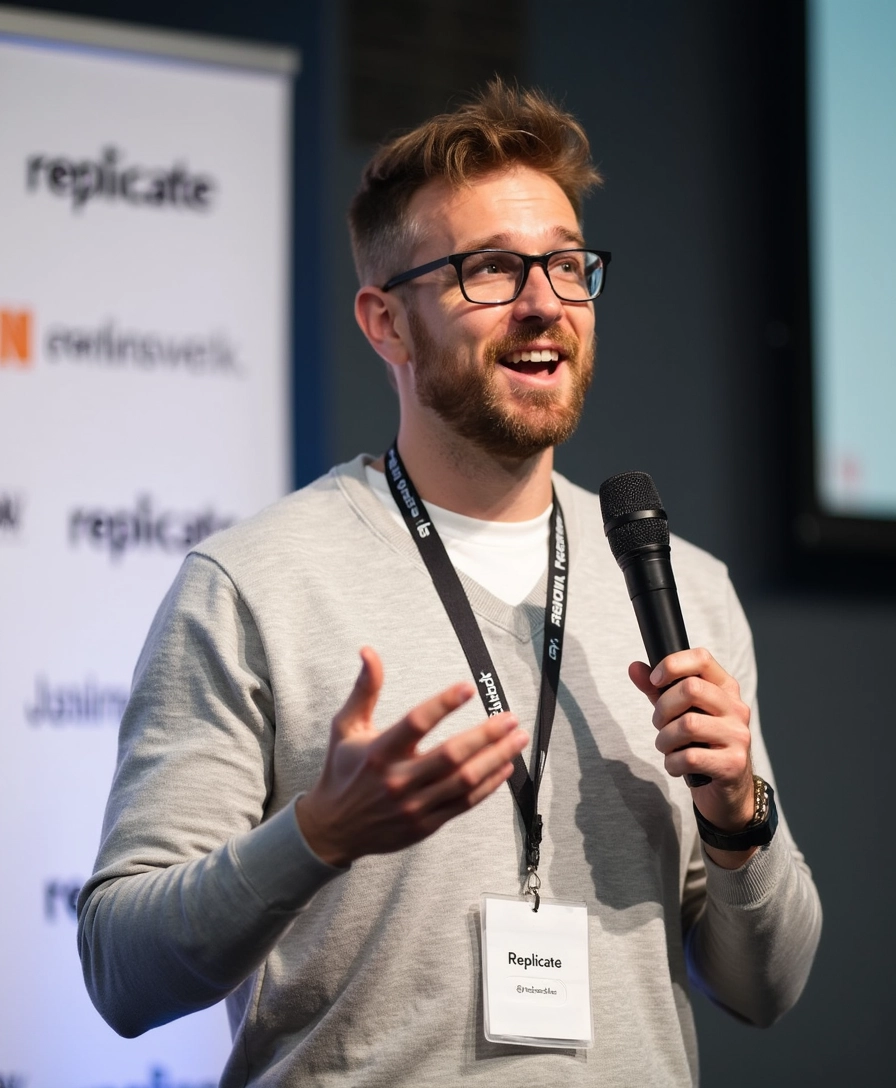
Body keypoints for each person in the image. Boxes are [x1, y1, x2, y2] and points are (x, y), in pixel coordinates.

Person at [78, 82, 821, 1086]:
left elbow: (766, 986)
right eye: (489, 271)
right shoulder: (251, 584)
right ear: (385, 322)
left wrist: (738, 814)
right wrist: (316, 834)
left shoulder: (681, 584)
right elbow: (121, 971)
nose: (542, 302)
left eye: (565, 263)